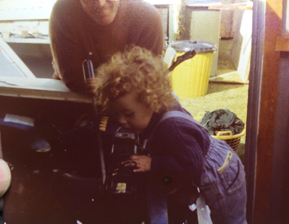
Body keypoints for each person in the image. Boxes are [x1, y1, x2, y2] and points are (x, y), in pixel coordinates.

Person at [87, 46, 247, 224]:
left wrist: (152, 163)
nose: (122, 121)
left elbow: (193, 166)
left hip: (220, 172)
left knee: (231, 221)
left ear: (151, 101)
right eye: (117, 114)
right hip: (213, 162)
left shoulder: (171, 129)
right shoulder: (156, 110)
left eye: (128, 114)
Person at [49, 0, 164, 93]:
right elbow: (73, 78)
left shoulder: (147, 16)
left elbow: (151, 79)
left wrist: (105, 85)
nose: (100, 4)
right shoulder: (63, 11)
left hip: (133, 103)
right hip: (79, 98)